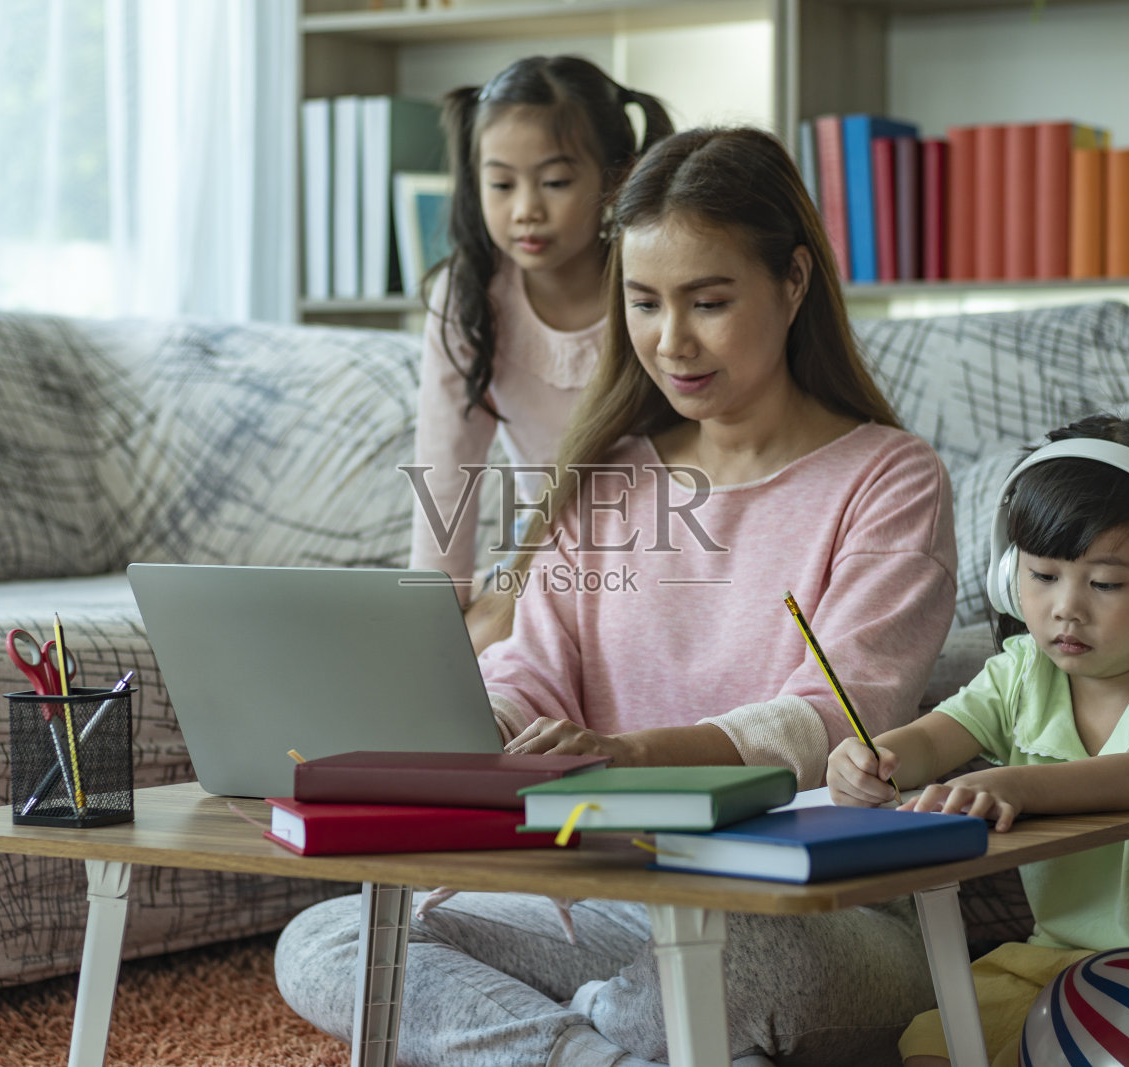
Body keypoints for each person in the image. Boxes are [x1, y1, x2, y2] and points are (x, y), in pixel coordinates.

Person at [277, 126, 958, 1067]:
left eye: (709, 302)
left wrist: (628, 754)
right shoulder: (605, 475)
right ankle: (607, 1051)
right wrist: (445, 724)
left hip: (807, 903)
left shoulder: (889, 477)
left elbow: (836, 718)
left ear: (794, 281)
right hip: (602, 894)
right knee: (335, 943)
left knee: (734, 964)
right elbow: (531, 677)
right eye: (643, 302)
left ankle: (598, 1032)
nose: (670, 342)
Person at [826, 415, 1129, 1067]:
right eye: (1043, 575)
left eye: (1104, 583)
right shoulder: (1022, 668)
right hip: (1051, 961)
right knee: (931, 1041)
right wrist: (876, 755)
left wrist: (1008, 782)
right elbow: (938, 736)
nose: (1066, 607)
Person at [406, 54, 674, 654]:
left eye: (554, 182)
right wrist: (435, 611)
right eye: (501, 184)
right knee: (467, 651)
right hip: (549, 546)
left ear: (617, 177)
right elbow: (445, 465)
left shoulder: (649, 281)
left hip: (667, 545)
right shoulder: (470, 295)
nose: (525, 207)